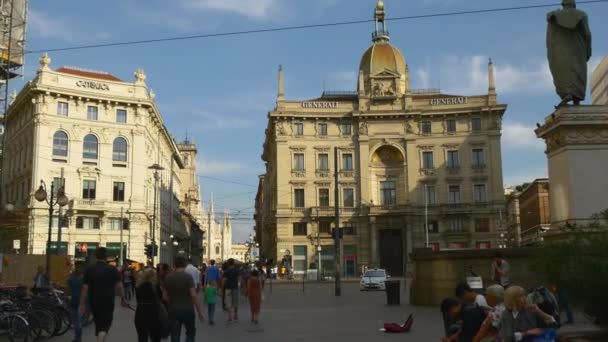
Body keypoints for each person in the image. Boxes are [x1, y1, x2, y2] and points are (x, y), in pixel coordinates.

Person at [80, 247, 128, 342]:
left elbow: (85, 288)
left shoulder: (90, 269)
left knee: (98, 323)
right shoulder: (112, 269)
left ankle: (100, 339)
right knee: (106, 324)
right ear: (106, 257)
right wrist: (123, 299)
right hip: (108, 300)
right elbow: (120, 286)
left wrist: (81, 303)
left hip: (93, 300)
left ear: (96, 256)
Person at [162, 256, 204, 342]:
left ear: (174, 265)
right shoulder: (188, 277)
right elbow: (193, 295)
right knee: (190, 333)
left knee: (175, 335)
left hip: (173, 311)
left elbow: (164, 296)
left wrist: (172, 301)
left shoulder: (168, 277)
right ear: (185, 265)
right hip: (187, 310)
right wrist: (199, 312)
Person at [134, 268, 161, 342]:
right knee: (155, 337)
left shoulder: (139, 286)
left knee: (142, 337)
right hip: (153, 313)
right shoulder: (155, 287)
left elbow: (138, 299)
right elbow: (160, 299)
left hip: (140, 312)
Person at [67, 264, 84, 342]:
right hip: (80, 301)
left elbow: (68, 290)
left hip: (72, 300)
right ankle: (78, 338)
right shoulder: (83, 280)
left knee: (75, 320)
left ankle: (77, 338)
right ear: (81, 273)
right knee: (79, 321)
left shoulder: (70, 279)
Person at [223, 258, 240, 323]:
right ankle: (235, 315)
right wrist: (238, 285)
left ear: (228, 263)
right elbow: (239, 279)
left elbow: (224, 280)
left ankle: (230, 316)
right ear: (233, 263)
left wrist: (222, 288)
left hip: (228, 288)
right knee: (235, 302)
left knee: (228, 302)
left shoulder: (226, 271)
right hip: (235, 288)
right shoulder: (236, 270)